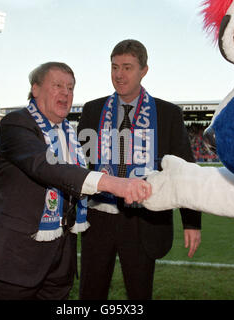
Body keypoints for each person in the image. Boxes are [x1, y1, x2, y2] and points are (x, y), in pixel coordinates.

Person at [0, 62, 152, 300]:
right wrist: (116, 184)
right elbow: (46, 166)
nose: (66, 93)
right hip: (16, 259)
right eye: (57, 85)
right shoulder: (16, 124)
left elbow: (77, 182)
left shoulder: (70, 133)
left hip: (61, 262)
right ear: (35, 89)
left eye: (70, 88)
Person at [77, 40, 202, 300]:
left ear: (144, 70)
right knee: (90, 292)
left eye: (127, 67)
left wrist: (191, 222)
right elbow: (77, 167)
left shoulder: (167, 114)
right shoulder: (92, 110)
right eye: (114, 67)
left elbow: (185, 170)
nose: (119, 74)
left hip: (142, 219)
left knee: (139, 293)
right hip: (98, 217)